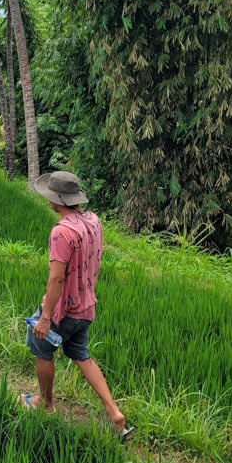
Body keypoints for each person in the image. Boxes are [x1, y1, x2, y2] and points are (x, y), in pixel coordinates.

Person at [22, 170, 134, 440]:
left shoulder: (61, 232)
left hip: (65, 310)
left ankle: (45, 404)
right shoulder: (93, 221)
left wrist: (46, 317)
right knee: (80, 354)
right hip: (85, 307)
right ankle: (114, 413)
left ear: (56, 200)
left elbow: (56, 277)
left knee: (41, 347)